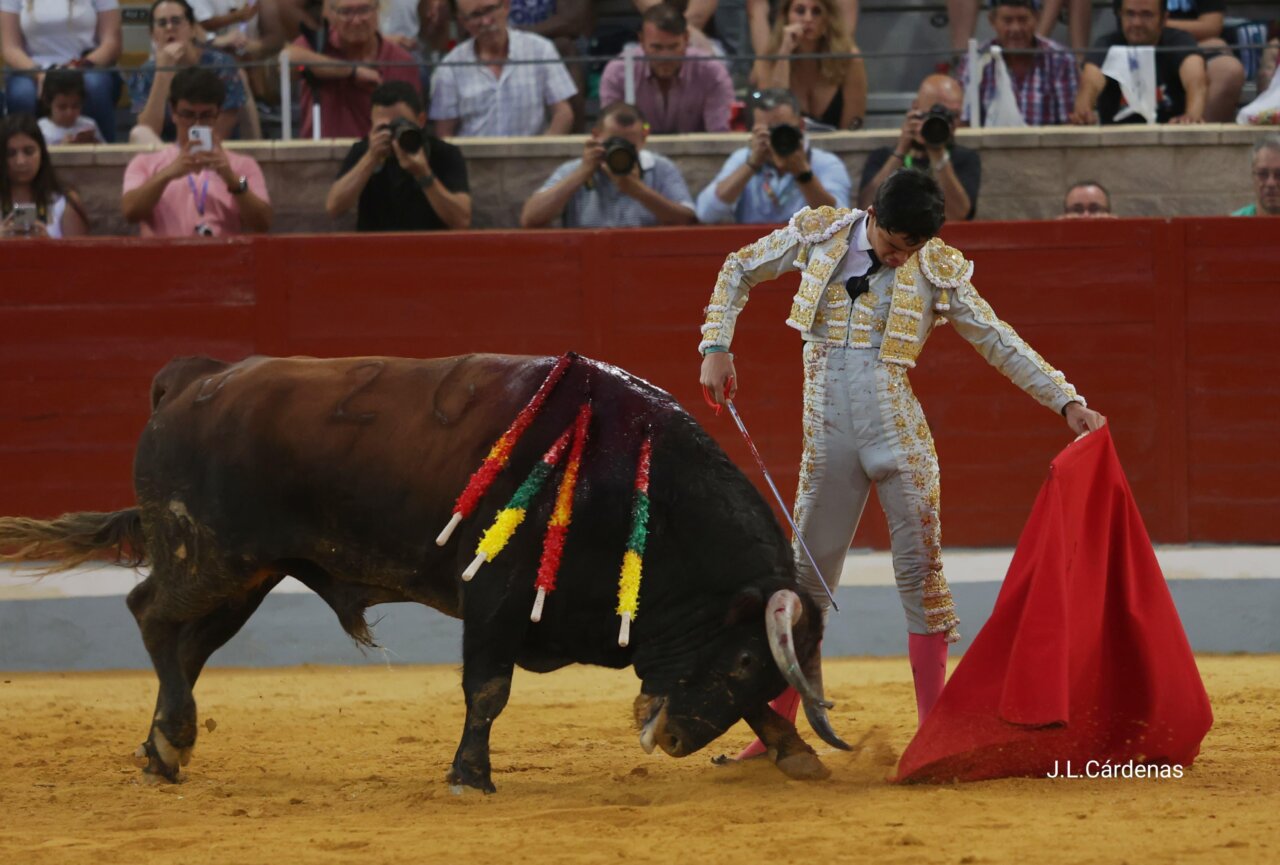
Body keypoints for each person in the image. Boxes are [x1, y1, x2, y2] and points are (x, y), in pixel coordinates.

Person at [697, 170, 1106, 753]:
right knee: (803, 583)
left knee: (922, 580)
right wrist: (716, 344)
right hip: (829, 443)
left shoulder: (936, 266)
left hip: (901, 441)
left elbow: (997, 338)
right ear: (873, 214)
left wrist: (1066, 400)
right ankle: (778, 734)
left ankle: (935, 731)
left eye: (911, 248)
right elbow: (738, 268)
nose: (898, 257)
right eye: (892, 243)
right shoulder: (820, 235)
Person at [122, 67, 272, 237]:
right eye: (188, 115)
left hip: (223, 258)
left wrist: (233, 179)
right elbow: (130, 211)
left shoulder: (242, 167)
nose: (197, 124)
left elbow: (263, 221)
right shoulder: (145, 163)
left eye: (206, 115)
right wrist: (167, 174)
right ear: (174, 112)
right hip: (166, 258)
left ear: (218, 113)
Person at [521, 101, 696, 228]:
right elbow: (530, 219)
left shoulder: (660, 168)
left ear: (643, 138)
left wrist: (637, 190)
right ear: (596, 135)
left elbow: (688, 220)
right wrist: (581, 174)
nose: (621, 151)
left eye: (629, 146)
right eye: (613, 143)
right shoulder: (574, 169)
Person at [326, 81, 472, 230]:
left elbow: (461, 221)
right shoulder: (364, 150)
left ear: (421, 120)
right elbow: (334, 208)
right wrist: (370, 158)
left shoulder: (443, 153)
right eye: (384, 127)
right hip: (377, 249)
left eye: (401, 125)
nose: (393, 133)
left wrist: (424, 175)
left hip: (430, 248)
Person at [695, 88, 850, 224]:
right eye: (768, 130)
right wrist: (751, 165)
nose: (778, 137)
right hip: (753, 251)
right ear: (755, 131)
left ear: (801, 126)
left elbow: (840, 221)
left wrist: (803, 174)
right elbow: (705, 213)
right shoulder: (743, 159)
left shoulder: (825, 163)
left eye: (783, 129)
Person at [429, 0, 577, 137]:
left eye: (490, 9)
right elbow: (444, 133)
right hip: (472, 161)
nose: (486, 21)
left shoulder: (540, 50)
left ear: (506, 5)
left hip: (531, 159)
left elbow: (563, 113)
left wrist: (541, 153)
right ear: (463, 22)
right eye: (475, 15)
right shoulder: (451, 67)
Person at [286, 0, 421, 138]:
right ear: (331, 15)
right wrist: (352, 71)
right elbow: (287, 59)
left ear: (377, 10)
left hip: (382, 152)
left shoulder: (400, 61)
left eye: (364, 10)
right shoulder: (317, 45)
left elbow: (411, 126)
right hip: (324, 153)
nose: (356, 21)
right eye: (346, 12)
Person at [859, 74, 981, 222]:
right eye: (936, 113)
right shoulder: (882, 157)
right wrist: (901, 150)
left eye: (953, 115)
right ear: (916, 108)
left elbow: (957, 216)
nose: (945, 122)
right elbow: (867, 210)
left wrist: (938, 154)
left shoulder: (965, 159)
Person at [598, 3, 735, 134]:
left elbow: (721, 133)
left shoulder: (711, 72)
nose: (665, 57)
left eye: (673, 47)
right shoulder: (618, 72)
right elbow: (612, 134)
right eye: (657, 47)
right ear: (642, 42)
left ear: (686, 39)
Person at [128, 0, 247, 146]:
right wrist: (163, 74)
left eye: (176, 21)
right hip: (164, 156)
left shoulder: (221, 64)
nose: (170, 27)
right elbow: (147, 132)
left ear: (193, 29)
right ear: (153, 35)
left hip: (213, 152)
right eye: (162, 23)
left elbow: (223, 128)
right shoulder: (144, 72)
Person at [0, 0, 122, 141]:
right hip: (31, 67)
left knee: (95, 87)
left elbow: (111, 43)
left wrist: (78, 67)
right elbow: (10, 48)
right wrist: (39, 74)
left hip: (85, 64)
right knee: (21, 95)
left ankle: (106, 155)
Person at [1070, 0, 1208, 125]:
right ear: (1120, 15)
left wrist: (1191, 115)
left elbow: (1196, 81)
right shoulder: (1107, 44)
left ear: (1164, 18)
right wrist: (1083, 111)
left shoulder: (1179, 41)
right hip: (1117, 142)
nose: (1137, 22)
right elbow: (1090, 82)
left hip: (1171, 138)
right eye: (1130, 14)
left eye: (1146, 15)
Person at [953, 0, 1079, 127]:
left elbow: (1069, 124)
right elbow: (963, 122)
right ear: (992, 21)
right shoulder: (974, 60)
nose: (1016, 28)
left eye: (1023, 20)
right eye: (1007, 21)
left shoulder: (1061, 60)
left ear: (1036, 18)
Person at [749, 0, 866, 130]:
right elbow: (773, 118)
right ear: (786, 17)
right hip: (785, 147)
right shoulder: (768, 60)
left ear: (828, 19)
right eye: (800, 11)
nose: (808, 19)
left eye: (816, 12)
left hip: (838, 148)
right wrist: (785, 51)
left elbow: (853, 127)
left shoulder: (849, 60)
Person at [0, 113, 89, 238]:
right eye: (10, 153)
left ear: (42, 154)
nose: (20, 161)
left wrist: (47, 244)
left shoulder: (64, 203)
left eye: (29, 151)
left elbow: (81, 256)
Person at [1162, 0, 1245, 123]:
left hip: (1195, 45)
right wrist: (1149, 24)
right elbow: (1128, 20)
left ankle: (1198, 135)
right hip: (1132, 44)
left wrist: (1157, 25)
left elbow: (1211, 26)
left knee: (1227, 67)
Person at [37, 68, 105, 145]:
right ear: (48, 102)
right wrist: (61, 150)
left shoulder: (89, 125)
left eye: (75, 106)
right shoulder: (41, 130)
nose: (69, 113)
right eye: (62, 107)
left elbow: (106, 154)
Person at [1231, 134, 1280, 216]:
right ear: (1253, 176)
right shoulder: (1233, 225)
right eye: (1263, 174)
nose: (1270, 183)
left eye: (1279, 174)